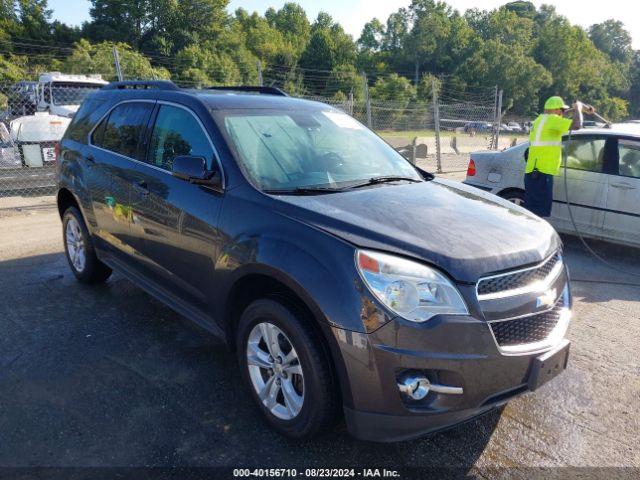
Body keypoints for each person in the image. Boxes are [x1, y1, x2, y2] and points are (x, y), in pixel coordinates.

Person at [524, 96, 595, 217]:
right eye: (561, 110)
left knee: (532, 212)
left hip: (534, 172)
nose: (563, 113)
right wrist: (578, 108)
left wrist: (582, 109)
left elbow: (562, 116)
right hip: (542, 172)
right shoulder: (552, 120)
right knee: (537, 214)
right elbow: (577, 125)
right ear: (556, 110)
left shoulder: (540, 120)